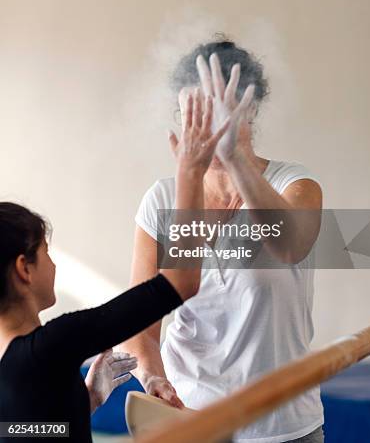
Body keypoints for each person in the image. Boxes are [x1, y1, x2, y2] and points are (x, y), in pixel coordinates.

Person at [0, 88, 250, 442]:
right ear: (24, 269)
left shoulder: (14, 363)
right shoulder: (53, 344)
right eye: (46, 253)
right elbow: (181, 281)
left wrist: (85, 399)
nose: (54, 265)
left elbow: (21, 432)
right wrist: (190, 173)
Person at [123, 39, 325, 443]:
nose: (202, 126)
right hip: (191, 421)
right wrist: (152, 375)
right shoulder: (162, 199)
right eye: (190, 113)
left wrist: (235, 159)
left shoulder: (293, 184)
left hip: (281, 427)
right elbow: (141, 324)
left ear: (248, 109)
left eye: (214, 111)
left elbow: (291, 245)